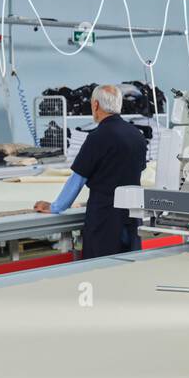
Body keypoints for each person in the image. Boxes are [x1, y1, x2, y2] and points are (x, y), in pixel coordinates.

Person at [35, 83, 146, 259]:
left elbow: (77, 179)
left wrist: (55, 207)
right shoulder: (137, 136)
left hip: (105, 219)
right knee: (129, 271)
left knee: (100, 272)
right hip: (132, 217)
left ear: (95, 105)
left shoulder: (97, 137)